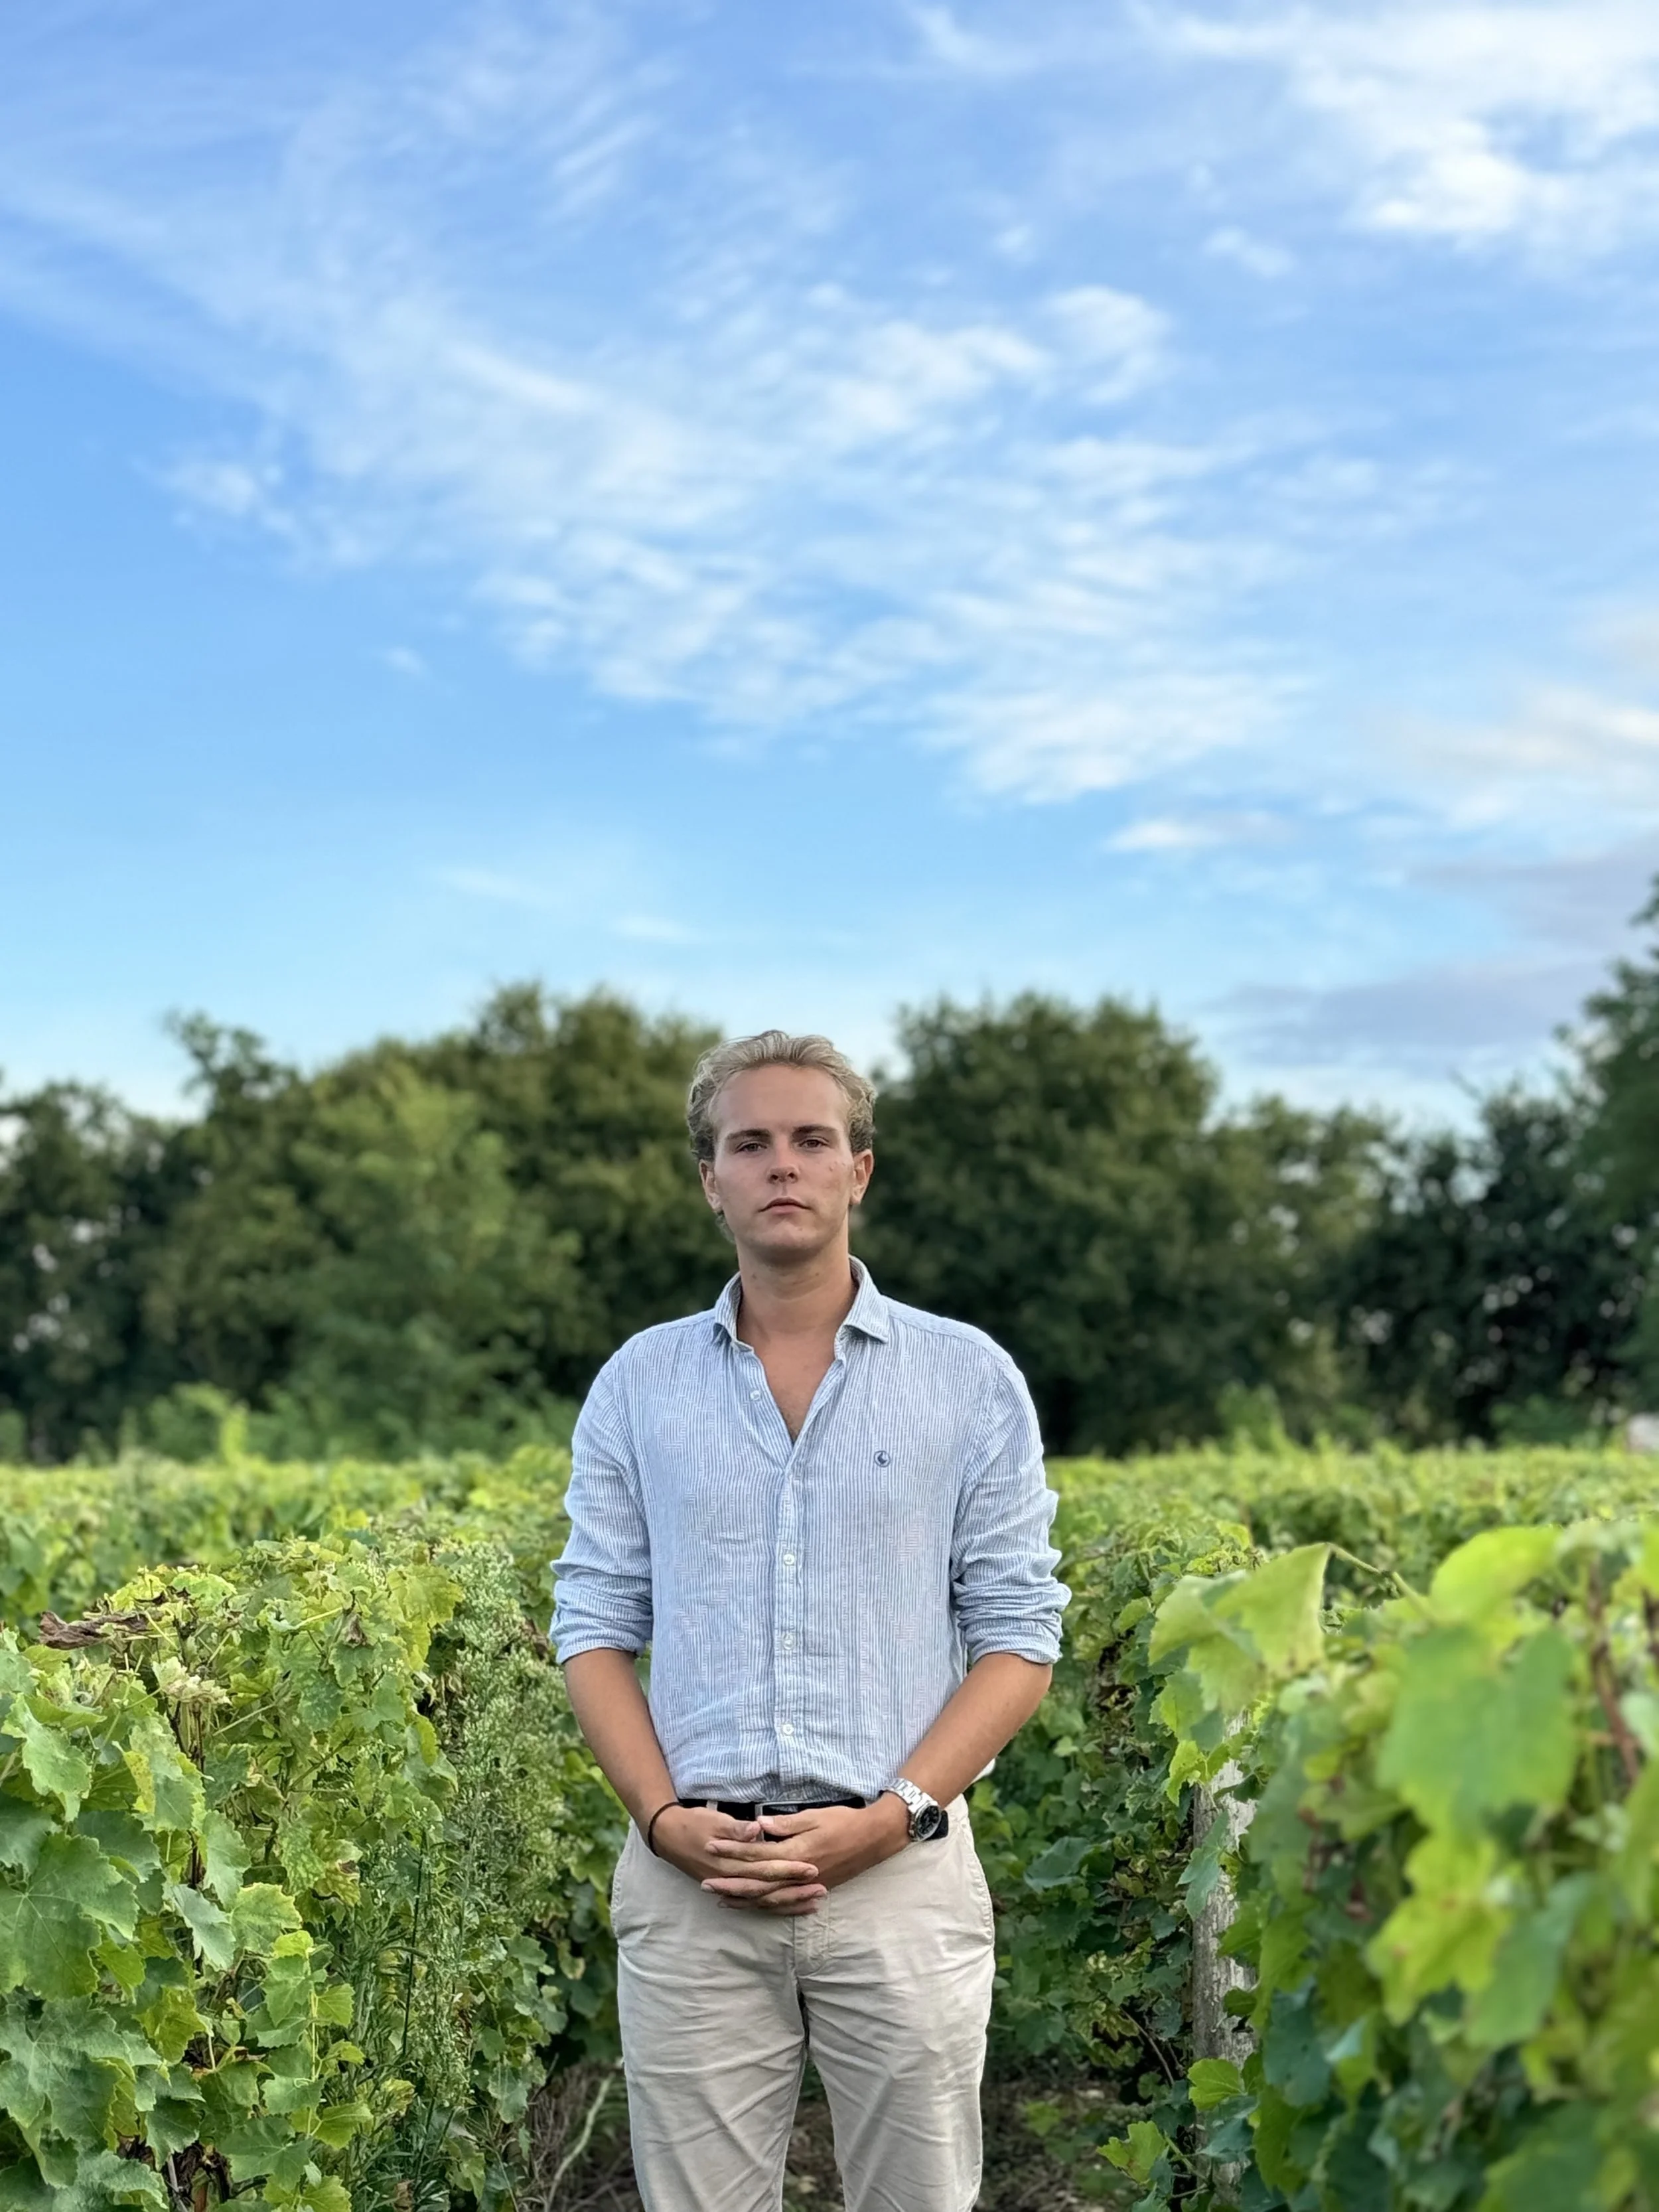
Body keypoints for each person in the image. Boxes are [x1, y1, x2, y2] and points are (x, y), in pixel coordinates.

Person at [552, 1030, 1068, 2212]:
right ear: (711, 1180)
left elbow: (1017, 1634)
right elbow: (592, 1623)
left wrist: (898, 1816)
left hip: (900, 1882)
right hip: (696, 1890)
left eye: (811, 1140)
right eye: (751, 1143)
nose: (782, 1164)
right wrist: (663, 1820)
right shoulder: (639, 1382)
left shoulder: (968, 1378)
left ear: (858, 1171)